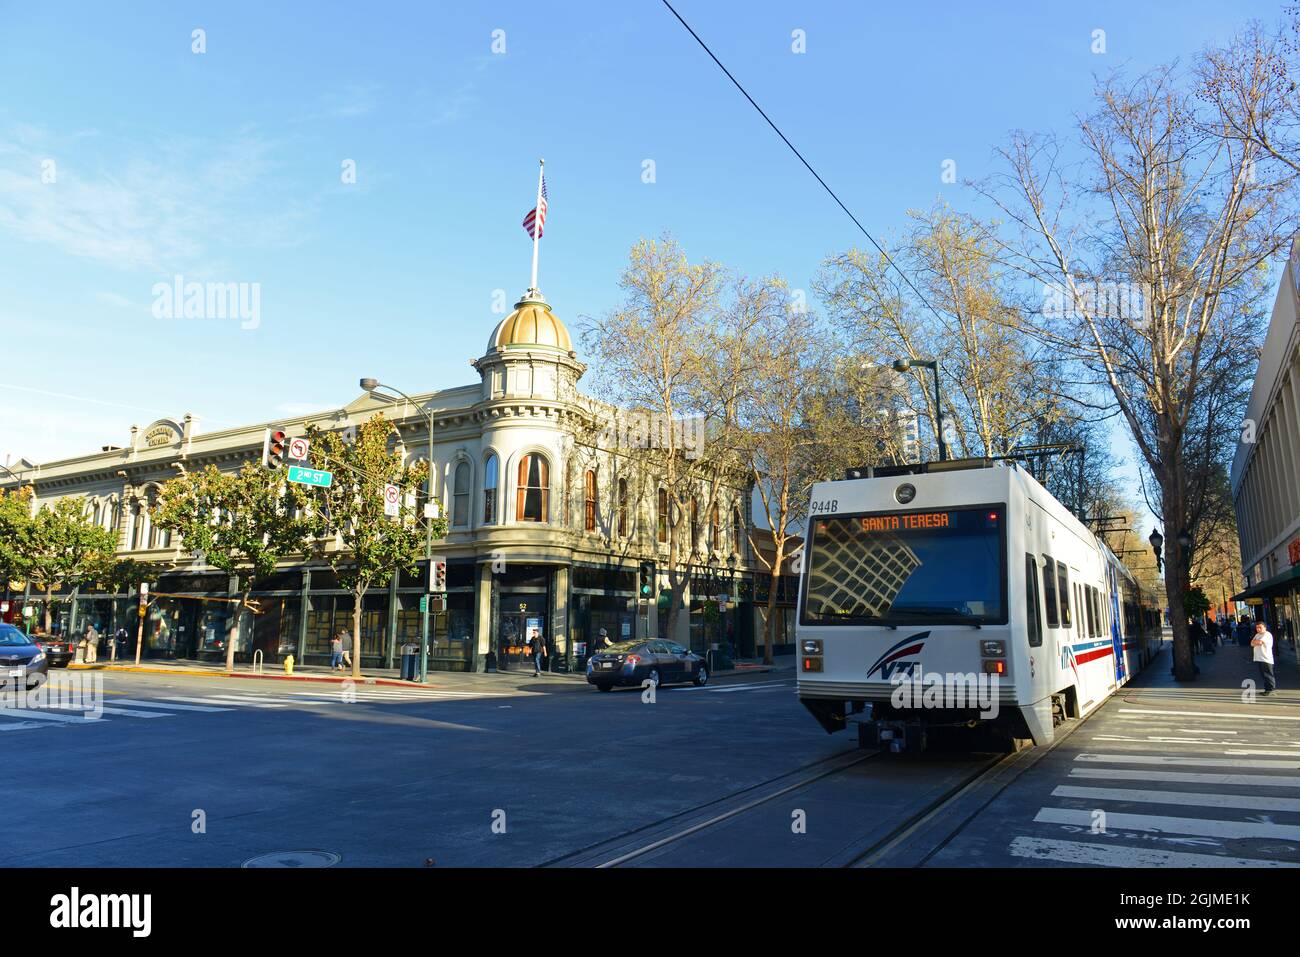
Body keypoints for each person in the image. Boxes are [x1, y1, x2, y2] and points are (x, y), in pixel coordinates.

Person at [1252, 620, 1276, 695]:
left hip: (1266, 658)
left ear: (1265, 628)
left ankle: (1270, 689)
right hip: (1259, 658)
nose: (1258, 629)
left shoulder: (1267, 634)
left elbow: (1259, 642)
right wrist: (1255, 642)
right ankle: (1267, 689)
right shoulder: (1257, 635)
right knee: (1264, 675)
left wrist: (1256, 642)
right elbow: (1252, 643)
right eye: (1257, 627)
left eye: (1260, 627)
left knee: (1268, 674)